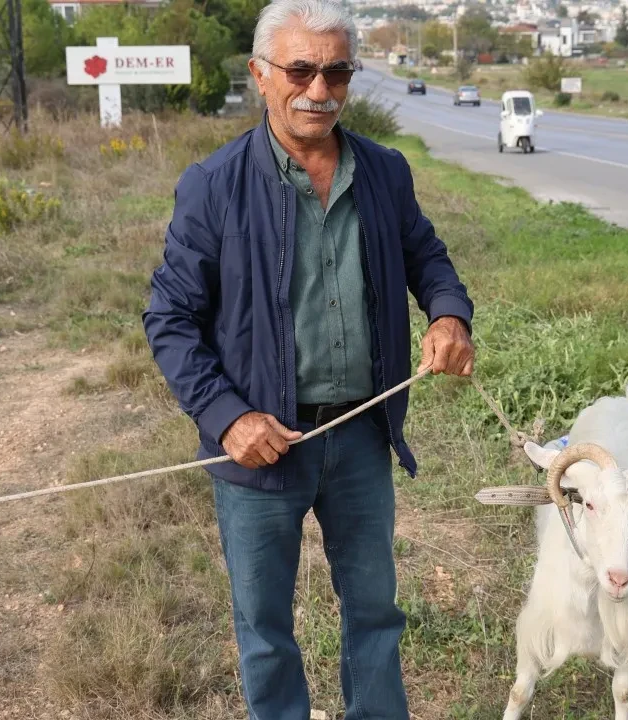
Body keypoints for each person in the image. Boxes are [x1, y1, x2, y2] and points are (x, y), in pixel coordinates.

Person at [141, 0, 475, 717]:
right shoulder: (214, 185)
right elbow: (168, 318)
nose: (319, 90)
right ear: (262, 75)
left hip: (359, 436)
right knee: (264, 630)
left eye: (336, 71)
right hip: (259, 453)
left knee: (375, 614)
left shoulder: (384, 173)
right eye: (300, 70)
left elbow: (428, 257)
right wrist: (228, 418)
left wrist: (448, 314)